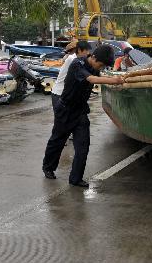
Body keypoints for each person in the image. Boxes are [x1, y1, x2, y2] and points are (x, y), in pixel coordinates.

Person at [42, 45, 124, 188]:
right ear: (94, 58)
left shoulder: (95, 67)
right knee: (58, 141)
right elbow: (92, 79)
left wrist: (119, 78)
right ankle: (48, 167)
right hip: (65, 109)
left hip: (80, 112)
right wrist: (115, 81)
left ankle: (76, 178)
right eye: (102, 64)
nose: (102, 67)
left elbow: (101, 76)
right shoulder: (77, 64)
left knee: (83, 146)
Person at [51, 40, 91, 110]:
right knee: (61, 120)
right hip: (59, 94)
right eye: (86, 50)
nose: (88, 53)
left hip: (65, 94)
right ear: (78, 50)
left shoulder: (76, 59)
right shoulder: (72, 59)